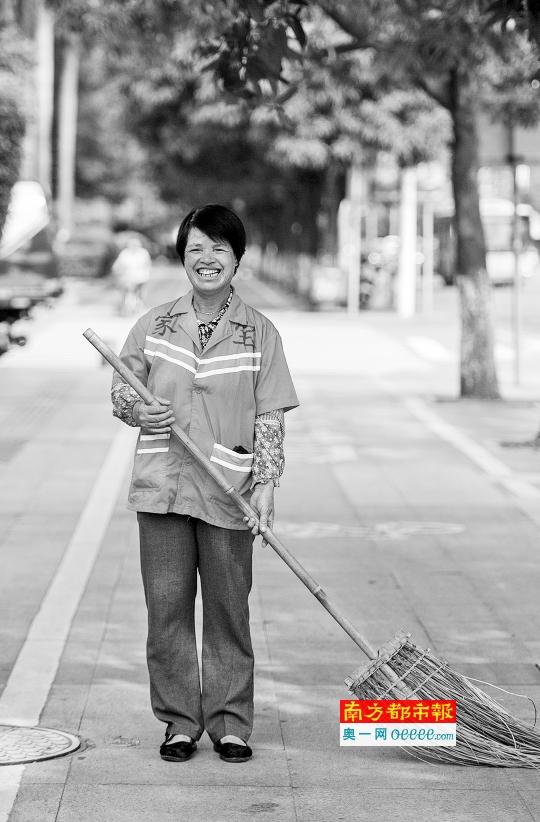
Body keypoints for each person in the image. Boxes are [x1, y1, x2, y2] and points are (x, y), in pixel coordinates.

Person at [111, 204, 298, 764]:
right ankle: (179, 723)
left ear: (238, 258)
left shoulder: (260, 332)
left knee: (227, 609)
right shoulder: (154, 323)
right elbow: (123, 391)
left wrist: (266, 483)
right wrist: (138, 412)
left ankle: (231, 722)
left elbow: (270, 415)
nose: (207, 259)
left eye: (219, 248)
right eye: (196, 249)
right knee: (166, 610)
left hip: (227, 489)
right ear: (182, 257)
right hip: (162, 488)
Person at [111, 235, 152, 315]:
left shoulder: (143, 253)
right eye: (131, 245)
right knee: (127, 292)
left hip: (141, 277)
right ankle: (127, 308)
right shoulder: (125, 253)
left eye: (135, 244)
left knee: (140, 293)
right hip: (128, 277)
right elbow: (118, 264)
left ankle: (139, 307)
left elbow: (148, 264)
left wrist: (147, 273)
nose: (133, 246)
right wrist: (117, 271)